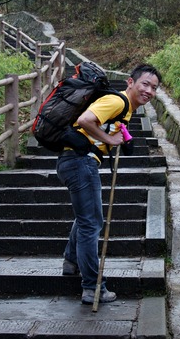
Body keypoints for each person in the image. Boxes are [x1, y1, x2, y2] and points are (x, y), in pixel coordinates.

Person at [57, 63, 162, 305]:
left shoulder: (125, 109)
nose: (149, 91)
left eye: (154, 88)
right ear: (130, 82)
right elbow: (85, 120)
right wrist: (109, 140)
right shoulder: (117, 102)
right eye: (145, 84)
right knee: (91, 224)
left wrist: (121, 138)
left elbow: (108, 129)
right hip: (80, 162)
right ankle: (93, 288)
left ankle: (71, 262)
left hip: (75, 162)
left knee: (86, 218)